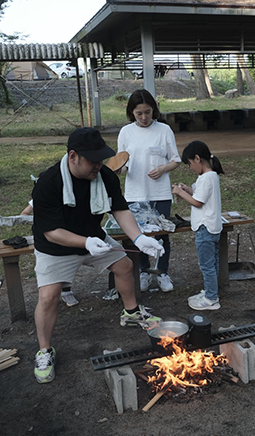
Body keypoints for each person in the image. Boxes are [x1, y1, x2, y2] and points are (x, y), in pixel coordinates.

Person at [32, 127, 164, 384]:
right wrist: (85, 242)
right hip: (56, 246)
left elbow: (120, 210)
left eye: (101, 159)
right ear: (73, 157)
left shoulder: (104, 176)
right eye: (93, 161)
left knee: (125, 266)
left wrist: (139, 238)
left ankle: (131, 313)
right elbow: (51, 232)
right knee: (49, 297)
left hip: (94, 238)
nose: (98, 165)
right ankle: (44, 351)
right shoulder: (48, 183)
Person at [117, 89, 181, 293]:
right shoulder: (126, 132)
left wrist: (163, 168)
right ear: (131, 113)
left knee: (163, 233)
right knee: (139, 235)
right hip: (135, 193)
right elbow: (122, 162)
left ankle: (162, 272)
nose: (144, 117)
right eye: (139, 114)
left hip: (160, 193)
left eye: (148, 112)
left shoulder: (164, 130)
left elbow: (176, 160)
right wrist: (120, 169)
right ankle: (144, 271)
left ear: (154, 110)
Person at [172, 140, 224, 311]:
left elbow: (198, 202)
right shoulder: (211, 175)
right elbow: (199, 195)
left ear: (197, 158)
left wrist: (179, 192)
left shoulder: (206, 177)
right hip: (213, 227)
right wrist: (187, 189)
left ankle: (211, 299)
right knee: (212, 263)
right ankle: (211, 292)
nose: (190, 168)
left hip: (204, 228)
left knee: (206, 265)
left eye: (189, 164)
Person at [21, 200, 79, 306]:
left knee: (67, 262)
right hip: (47, 241)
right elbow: (24, 214)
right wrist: (40, 221)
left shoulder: (67, 198)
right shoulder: (40, 199)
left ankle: (66, 291)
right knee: (52, 268)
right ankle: (56, 293)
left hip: (65, 236)